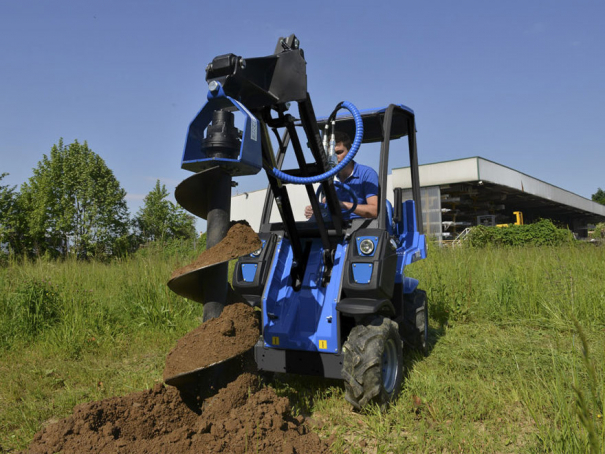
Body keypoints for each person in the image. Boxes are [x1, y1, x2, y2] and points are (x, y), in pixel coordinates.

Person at [304, 131, 378, 220]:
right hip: (335, 225)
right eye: (331, 155)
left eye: (339, 152)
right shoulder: (329, 176)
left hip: (360, 226)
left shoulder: (367, 174)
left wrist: (341, 204)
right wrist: (316, 210)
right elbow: (327, 206)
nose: (335, 158)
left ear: (351, 152)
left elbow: (374, 211)